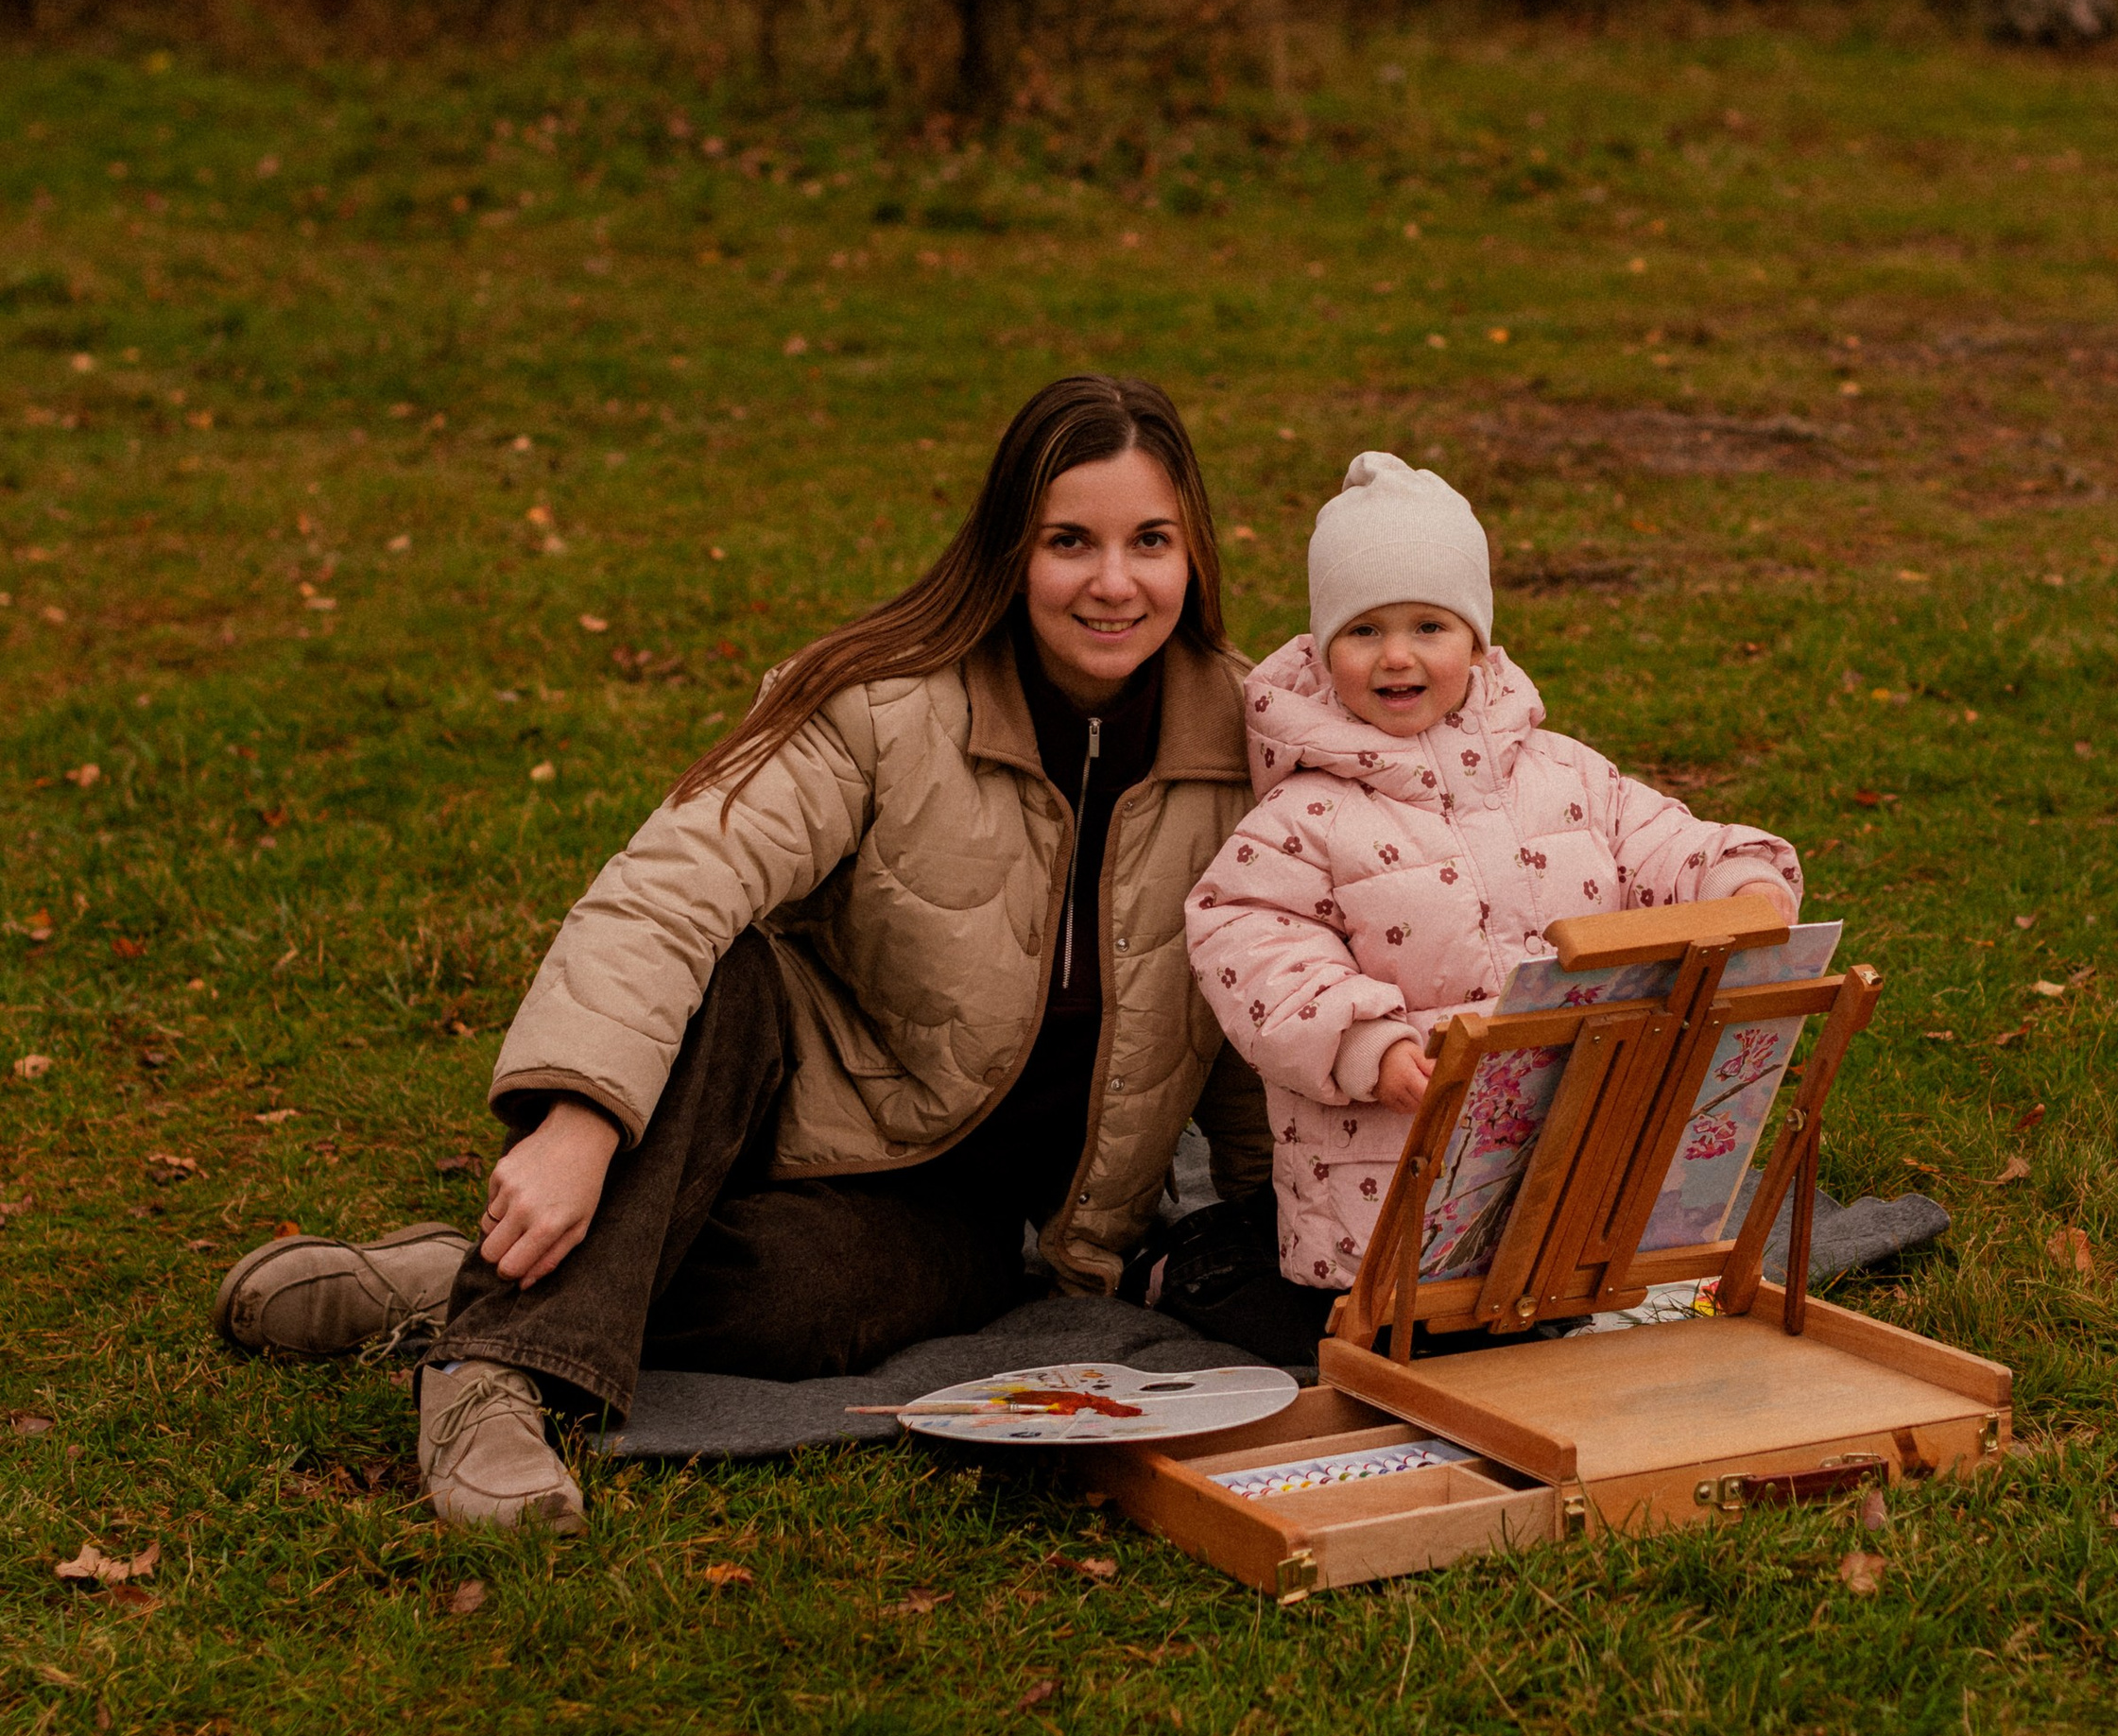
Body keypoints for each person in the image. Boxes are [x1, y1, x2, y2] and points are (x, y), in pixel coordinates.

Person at [215, 374, 1270, 1531]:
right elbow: (670, 889)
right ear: (1009, 550)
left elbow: (1268, 1003)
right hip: (781, 1079)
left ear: (1194, 553)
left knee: (797, 1315)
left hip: (966, 1208)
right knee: (725, 972)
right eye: (1070, 540)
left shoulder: (1253, 741)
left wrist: (1300, 1232)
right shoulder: (881, 703)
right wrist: (578, 1120)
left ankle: (458, 1279)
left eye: (1149, 541)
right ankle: (491, 1376)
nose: (1112, 582)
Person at [1183, 449, 1802, 1310]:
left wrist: (1740, 881)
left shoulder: (1563, 773)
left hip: (1569, 1143)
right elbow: (1250, 943)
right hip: (1394, 1173)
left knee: (1560, 1300)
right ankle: (1213, 1278)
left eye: (1429, 626)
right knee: (1416, 1325)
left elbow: (1659, 840)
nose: (1397, 655)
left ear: (1476, 638)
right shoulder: (1304, 814)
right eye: (1365, 630)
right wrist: (1369, 1042)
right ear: (1326, 652)